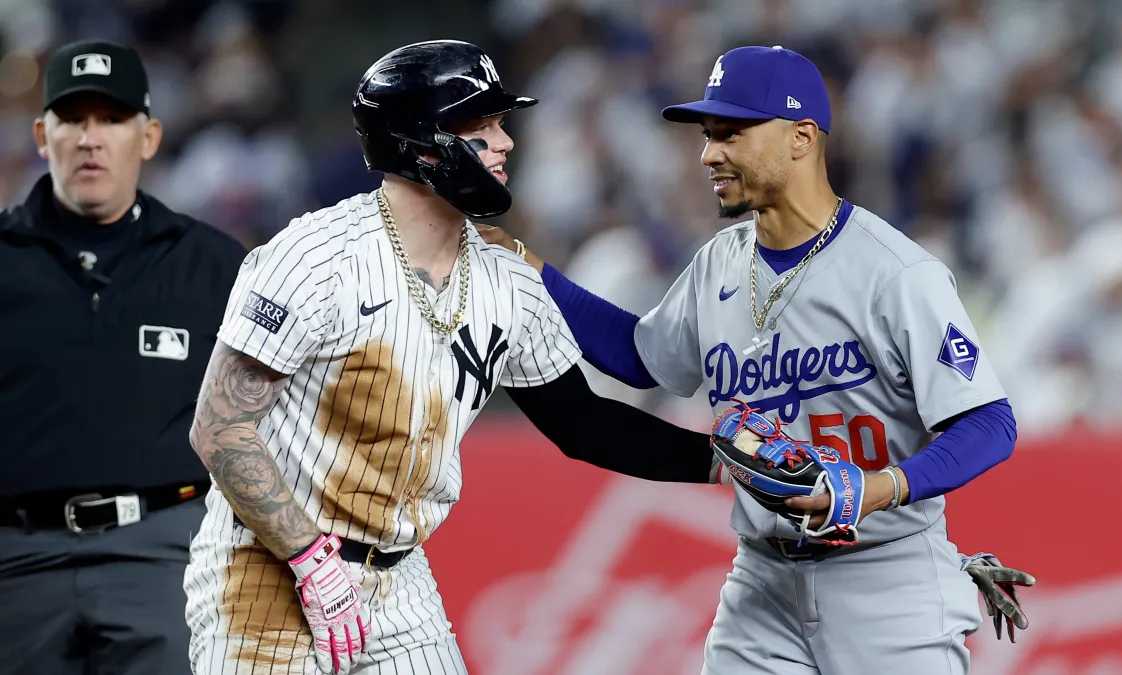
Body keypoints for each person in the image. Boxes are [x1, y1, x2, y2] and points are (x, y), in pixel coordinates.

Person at [182, 40, 736, 675]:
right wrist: (310, 559)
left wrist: (722, 464)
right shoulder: (315, 256)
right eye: (481, 126)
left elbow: (586, 425)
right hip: (265, 570)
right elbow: (221, 428)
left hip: (400, 577)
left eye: (501, 123)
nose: (504, 143)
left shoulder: (507, 279)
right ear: (418, 143)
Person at [478, 45, 1027, 673]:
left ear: (800, 138)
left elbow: (989, 424)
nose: (710, 153)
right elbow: (640, 357)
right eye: (708, 135)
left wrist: (883, 488)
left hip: (888, 580)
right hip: (762, 581)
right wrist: (533, 271)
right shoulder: (720, 260)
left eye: (732, 133)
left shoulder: (897, 273)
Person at [0, 40, 246, 674]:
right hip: (15, 562)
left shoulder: (214, 265)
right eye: (72, 118)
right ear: (41, 133)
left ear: (149, 136)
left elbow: (269, 424)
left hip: (166, 555)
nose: (90, 138)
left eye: (111, 119)